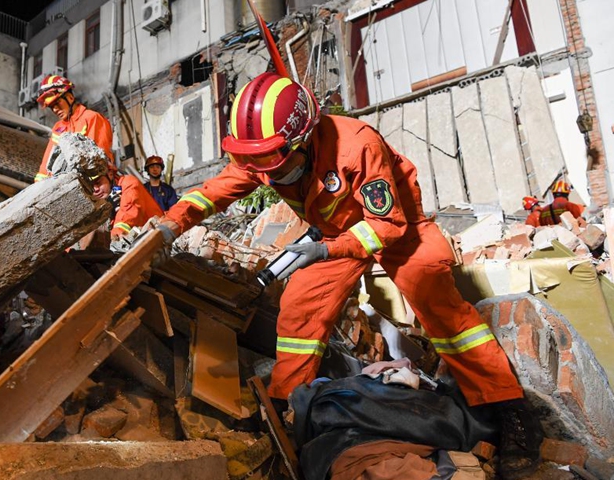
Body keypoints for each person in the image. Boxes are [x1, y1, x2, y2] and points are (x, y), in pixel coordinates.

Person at [156, 72, 543, 480]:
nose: (267, 176)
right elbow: (214, 191)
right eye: (258, 166)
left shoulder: (358, 145)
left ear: (302, 139)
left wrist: (325, 249)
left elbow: (387, 225)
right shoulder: (267, 153)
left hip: (397, 226)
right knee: (298, 312)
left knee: (438, 303)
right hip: (336, 234)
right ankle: (288, 410)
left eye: (276, 165)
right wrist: (169, 225)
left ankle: (510, 410)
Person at [34, 75, 113, 182]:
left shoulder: (91, 118)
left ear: (70, 97)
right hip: (64, 184)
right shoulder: (58, 128)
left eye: (57, 103)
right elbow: (47, 164)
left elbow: (97, 160)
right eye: (51, 106)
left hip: (92, 185)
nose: (55, 109)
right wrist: (39, 186)